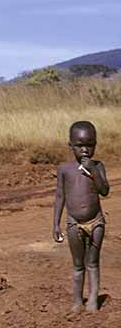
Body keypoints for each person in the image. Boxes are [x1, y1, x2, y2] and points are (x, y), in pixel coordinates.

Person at [53, 121, 110, 313]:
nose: (85, 150)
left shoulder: (98, 165)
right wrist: (55, 224)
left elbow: (104, 191)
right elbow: (60, 196)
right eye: (80, 145)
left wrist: (94, 172)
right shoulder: (64, 169)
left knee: (92, 263)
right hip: (74, 223)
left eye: (90, 145)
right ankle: (77, 301)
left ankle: (93, 300)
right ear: (71, 146)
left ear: (95, 144)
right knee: (78, 265)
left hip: (96, 222)